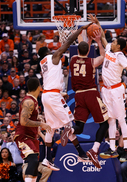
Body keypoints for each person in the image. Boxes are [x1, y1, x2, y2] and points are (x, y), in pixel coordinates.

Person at [88, 14, 127, 162]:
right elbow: (102, 36)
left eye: (114, 41)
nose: (112, 42)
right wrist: (97, 23)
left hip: (116, 89)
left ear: (118, 46)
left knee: (121, 119)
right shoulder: (108, 49)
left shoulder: (121, 56)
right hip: (106, 90)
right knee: (110, 120)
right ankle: (113, 148)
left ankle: (126, 148)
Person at [38, 23, 91, 173]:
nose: (53, 50)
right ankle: (79, 152)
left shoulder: (42, 63)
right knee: (68, 123)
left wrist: (59, 92)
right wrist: (79, 31)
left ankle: (47, 158)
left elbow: (50, 81)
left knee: (51, 128)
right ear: (47, 53)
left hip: (47, 95)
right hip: (53, 96)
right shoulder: (52, 57)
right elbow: (66, 44)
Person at [61, 30, 108, 168]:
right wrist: (98, 41)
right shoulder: (92, 62)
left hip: (79, 96)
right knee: (104, 124)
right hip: (91, 94)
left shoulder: (73, 59)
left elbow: (83, 51)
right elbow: (103, 55)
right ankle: (94, 150)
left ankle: (70, 131)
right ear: (88, 50)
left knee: (79, 127)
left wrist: (86, 40)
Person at [14, 77, 51, 182]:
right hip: (23, 135)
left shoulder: (33, 101)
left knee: (35, 163)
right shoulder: (28, 101)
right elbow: (23, 121)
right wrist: (41, 124)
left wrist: (39, 125)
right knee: (32, 160)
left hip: (32, 136)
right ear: (38, 87)